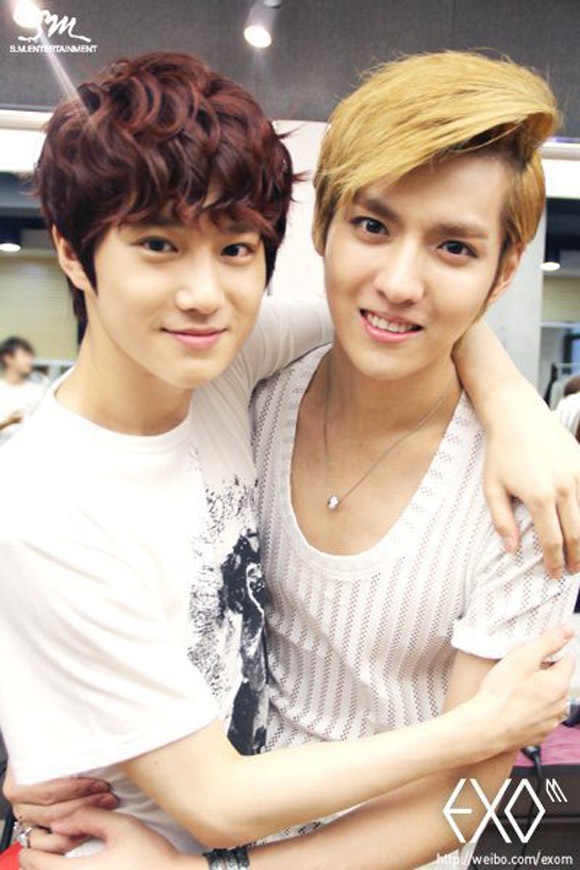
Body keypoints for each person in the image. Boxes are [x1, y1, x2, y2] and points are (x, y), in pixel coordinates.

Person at [5, 51, 580, 870]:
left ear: (504, 271)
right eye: (372, 227)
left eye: (455, 247)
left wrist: (517, 404)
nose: (398, 281)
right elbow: (212, 796)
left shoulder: (528, 495)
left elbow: (467, 803)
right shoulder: (243, 383)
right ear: (324, 229)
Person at [0, 337, 46, 446]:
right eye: (25, 355)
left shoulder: (38, 391)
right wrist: (8, 422)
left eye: (31, 356)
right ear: (8, 358)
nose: (30, 361)